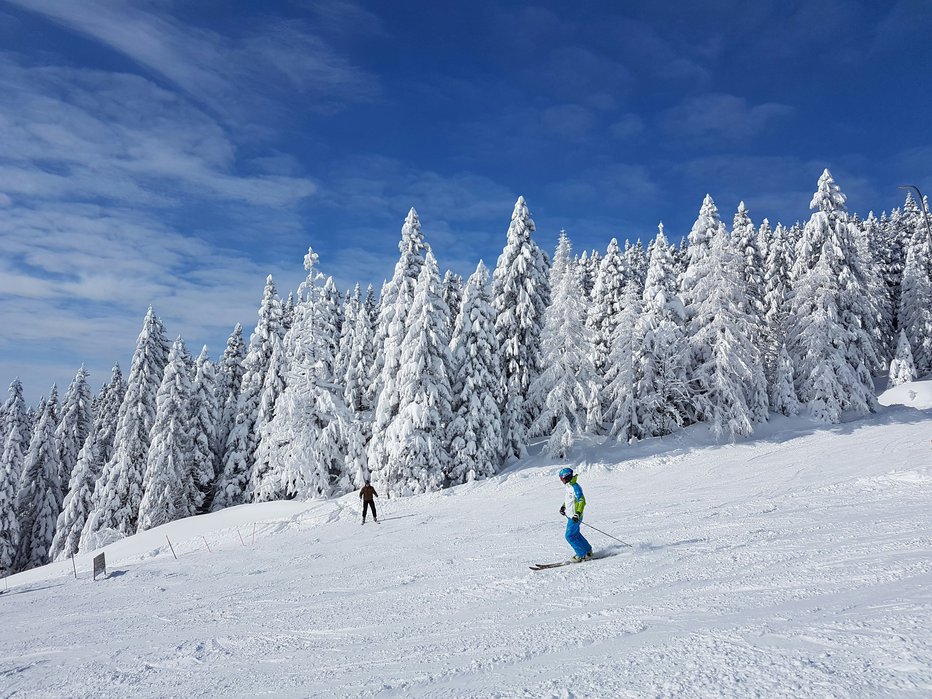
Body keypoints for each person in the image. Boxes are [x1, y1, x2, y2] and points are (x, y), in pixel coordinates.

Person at [558, 467, 592, 561]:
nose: (561, 480)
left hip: (575, 516)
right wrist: (563, 506)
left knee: (569, 536)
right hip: (570, 516)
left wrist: (577, 513)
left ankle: (581, 554)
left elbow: (582, 501)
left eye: (562, 478)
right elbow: (569, 499)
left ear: (567, 477)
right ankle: (588, 551)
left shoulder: (575, 487)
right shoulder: (569, 486)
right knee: (575, 534)